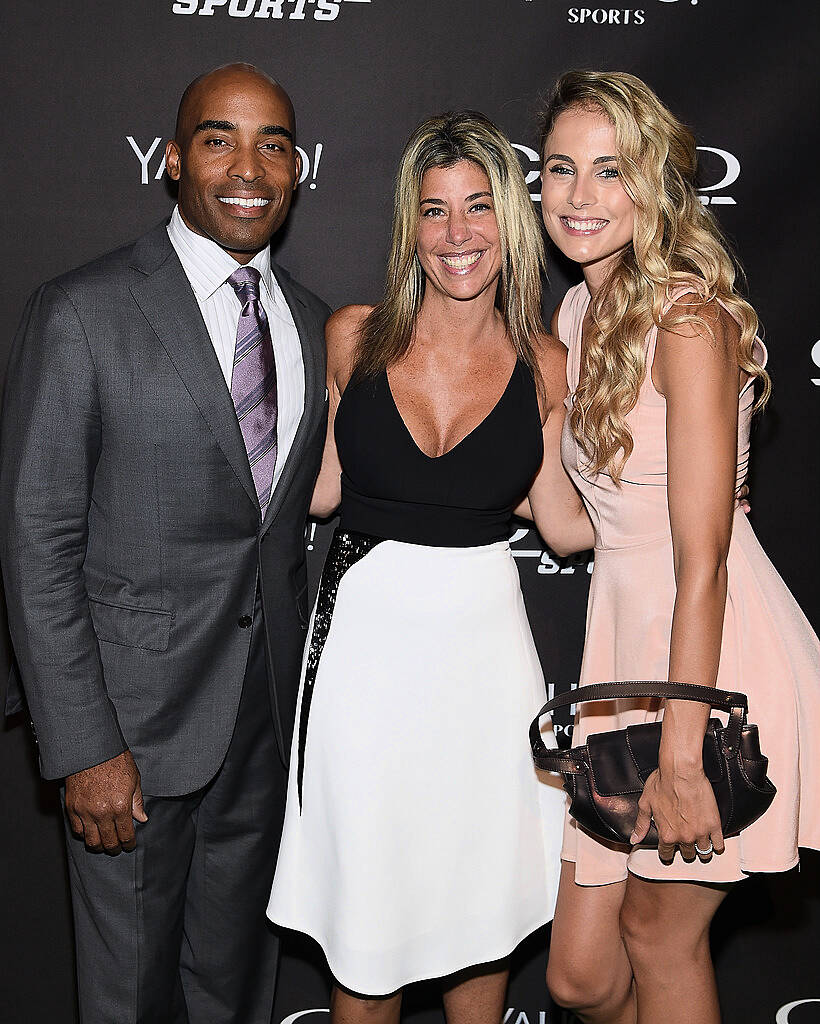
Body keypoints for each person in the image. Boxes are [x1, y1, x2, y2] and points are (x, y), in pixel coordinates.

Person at [0, 63, 330, 1023]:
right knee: (128, 1001)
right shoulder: (83, 311)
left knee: (234, 995)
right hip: (129, 741)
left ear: (297, 168)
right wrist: (82, 747)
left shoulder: (310, 322)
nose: (249, 166)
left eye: (274, 143)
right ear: (174, 158)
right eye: (220, 138)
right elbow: (36, 541)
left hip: (264, 736)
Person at [267, 111, 587, 1024]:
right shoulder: (353, 337)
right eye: (435, 211)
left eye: (478, 207)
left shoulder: (545, 363)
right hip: (363, 658)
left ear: (508, 221)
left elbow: (562, 523)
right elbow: (319, 491)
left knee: (480, 917)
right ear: (411, 226)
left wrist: (687, 499)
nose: (458, 235)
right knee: (368, 932)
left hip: (486, 669)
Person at [537, 70, 820, 1024]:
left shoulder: (689, 320)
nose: (579, 196)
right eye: (562, 170)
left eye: (610, 171)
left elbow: (704, 558)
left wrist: (685, 753)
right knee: (580, 975)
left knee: (660, 937)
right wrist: (537, 396)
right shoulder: (579, 314)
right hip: (620, 656)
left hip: (708, 661)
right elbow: (578, 528)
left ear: (652, 181)